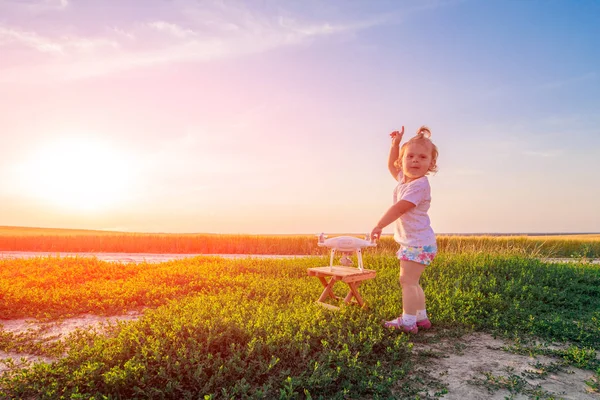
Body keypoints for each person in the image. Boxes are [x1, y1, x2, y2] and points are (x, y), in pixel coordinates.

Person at [371, 125, 439, 333]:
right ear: (402, 161)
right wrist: (395, 144)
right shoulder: (405, 180)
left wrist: (379, 225)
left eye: (421, 157)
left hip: (416, 243)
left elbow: (399, 208)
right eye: (410, 157)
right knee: (414, 282)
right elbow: (392, 167)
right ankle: (421, 318)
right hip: (419, 242)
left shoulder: (418, 185)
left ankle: (408, 322)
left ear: (431, 164)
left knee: (407, 282)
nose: (415, 160)